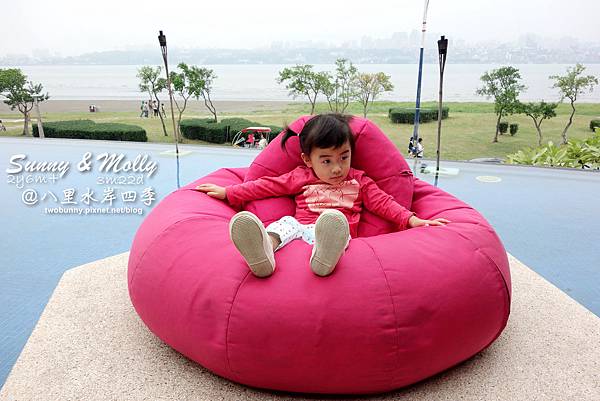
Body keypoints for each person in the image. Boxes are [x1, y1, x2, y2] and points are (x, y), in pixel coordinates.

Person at [195, 114, 450, 278]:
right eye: (326, 161)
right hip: (301, 228)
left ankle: (324, 258)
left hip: (336, 235)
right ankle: (263, 252)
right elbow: (267, 186)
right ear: (308, 160)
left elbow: (385, 204)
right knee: (285, 224)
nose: (337, 168)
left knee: (334, 225)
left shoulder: (360, 181)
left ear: (351, 153)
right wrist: (229, 192)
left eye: (344, 157)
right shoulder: (301, 176)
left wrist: (412, 220)